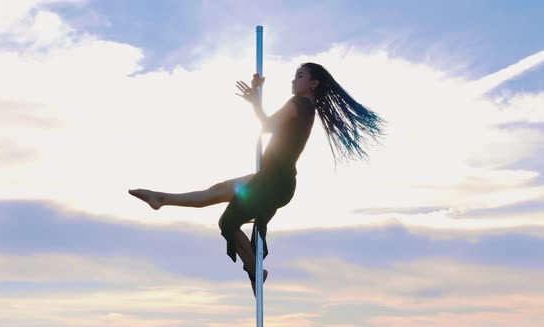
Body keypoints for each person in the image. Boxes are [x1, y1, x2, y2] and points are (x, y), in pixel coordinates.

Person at [129, 63, 385, 296]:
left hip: (273, 183)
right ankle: (161, 198)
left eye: (299, 76)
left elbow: (268, 126)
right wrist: (256, 92)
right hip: (273, 179)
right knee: (217, 190)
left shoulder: (298, 103)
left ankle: (254, 268)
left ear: (313, 83)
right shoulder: (306, 108)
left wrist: (254, 101)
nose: (293, 81)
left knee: (227, 222)